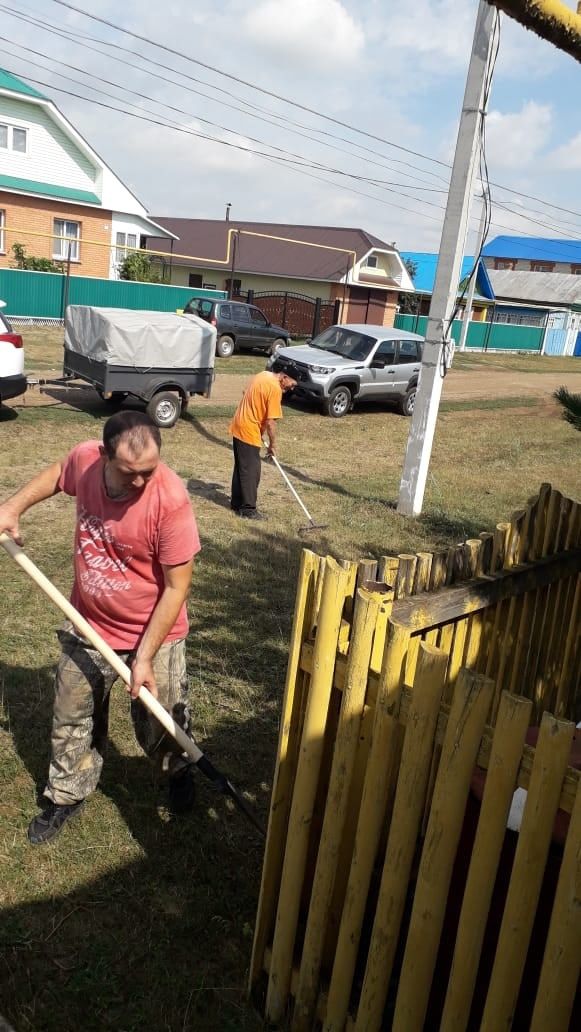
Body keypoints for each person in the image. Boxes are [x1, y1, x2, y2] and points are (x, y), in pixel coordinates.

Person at [0, 411, 201, 845]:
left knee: (162, 721)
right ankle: (67, 794)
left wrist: (144, 657)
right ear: (105, 455)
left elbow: (176, 588)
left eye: (149, 470)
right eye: (131, 473)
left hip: (155, 631)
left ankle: (178, 773)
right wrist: (12, 507)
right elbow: (57, 473)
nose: (142, 482)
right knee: (71, 713)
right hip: (87, 623)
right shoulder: (84, 462)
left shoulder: (170, 499)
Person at [229, 369, 297, 520]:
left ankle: (236, 503)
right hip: (248, 430)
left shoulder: (262, 375)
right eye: (292, 384)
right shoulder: (275, 389)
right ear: (284, 377)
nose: (291, 388)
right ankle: (248, 509)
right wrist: (272, 445)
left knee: (242, 467)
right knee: (252, 472)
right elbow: (271, 422)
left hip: (239, 425)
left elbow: (245, 392)